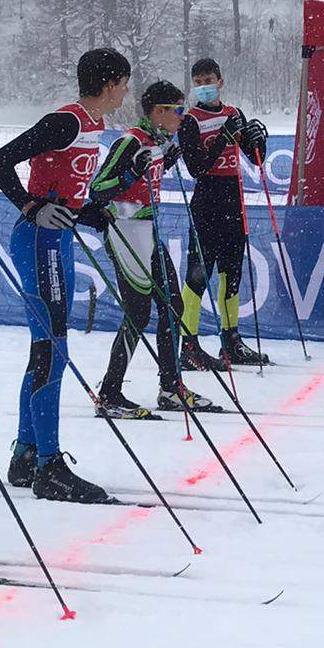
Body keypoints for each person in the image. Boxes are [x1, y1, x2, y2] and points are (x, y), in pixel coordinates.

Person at [0, 47, 130, 504]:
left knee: (46, 347)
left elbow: (64, 188)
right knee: (53, 348)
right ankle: (49, 465)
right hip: (37, 241)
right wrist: (32, 206)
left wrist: (91, 213)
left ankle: (27, 453)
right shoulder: (65, 121)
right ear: (109, 84)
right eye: (124, 83)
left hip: (58, 240)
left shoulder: (94, 125)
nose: (126, 91)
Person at [89, 80, 212, 417]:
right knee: (138, 313)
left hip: (149, 231)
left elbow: (148, 175)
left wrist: (166, 161)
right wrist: (129, 174)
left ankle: (171, 387)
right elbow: (98, 190)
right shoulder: (130, 141)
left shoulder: (157, 142)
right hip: (127, 232)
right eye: (177, 110)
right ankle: (110, 393)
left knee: (172, 307)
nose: (181, 117)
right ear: (159, 112)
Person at [177, 57, 270, 369]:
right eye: (198, 81)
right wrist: (222, 140)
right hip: (207, 202)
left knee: (232, 274)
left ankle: (231, 343)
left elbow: (254, 159)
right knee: (198, 276)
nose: (204, 86)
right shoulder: (190, 120)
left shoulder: (234, 114)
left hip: (233, 201)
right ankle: (188, 345)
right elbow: (196, 168)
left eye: (209, 80)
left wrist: (259, 142)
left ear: (220, 81)